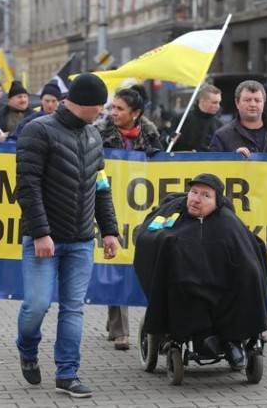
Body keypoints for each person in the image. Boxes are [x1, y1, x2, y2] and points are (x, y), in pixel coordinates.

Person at [15, 73, 119, 398]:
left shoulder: (93, 136)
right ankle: (27, 346)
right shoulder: (38, 130)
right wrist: (42, 233)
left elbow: (100, 188)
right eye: (100, 106)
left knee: (73, 308)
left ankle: (67, 373)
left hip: (81, 241)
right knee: (37, 305)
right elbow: (27, 186)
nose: (103, 112)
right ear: (84, 104)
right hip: (43, 240)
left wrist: (109, 231)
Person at [133, 173, 267, 370]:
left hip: (224, 289)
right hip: (187, 289)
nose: (196, 199)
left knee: (250, 273)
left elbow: (248, 248)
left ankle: (234, 340)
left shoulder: (227, 221)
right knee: (183, 280)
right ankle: (202, 336)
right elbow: (149, 236)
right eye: (193, 192)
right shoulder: (174, 212)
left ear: (217, 202)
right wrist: (166, 243)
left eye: (205, 195)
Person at [95, 84, 162, 350]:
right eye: (112, 107)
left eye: (120, 108)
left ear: (135, 113)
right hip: (111, 206)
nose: (113, 112)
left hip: (143, 209)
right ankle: (120, 330)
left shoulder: (151, 134)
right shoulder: (98, 133)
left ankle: (140, 326)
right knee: (116, 262)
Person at [171, 84, 223, 152]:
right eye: (214, 103)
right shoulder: (181, 120)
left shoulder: (220, 125)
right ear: (202, 101)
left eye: (219, 102)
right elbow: (166, 144)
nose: (218, 106)